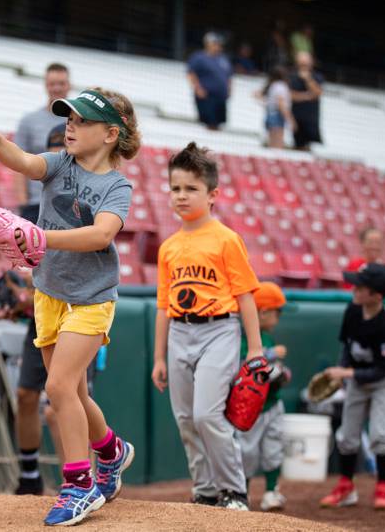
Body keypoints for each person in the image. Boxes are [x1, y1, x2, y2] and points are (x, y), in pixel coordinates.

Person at [0, 86, 140, 526]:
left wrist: (41, 237)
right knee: (75, 393)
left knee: (59, 390)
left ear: (109, 135)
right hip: (49, 293)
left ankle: (78, 484)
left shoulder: (117, 185)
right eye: (69, 119)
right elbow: (25, 162)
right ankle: (111, 451)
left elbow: (101, 235)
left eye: (82, 121)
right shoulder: (59, 163)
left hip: (91, 299)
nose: (71, 126)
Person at [151, 142, 263, 511]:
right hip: (180, 333)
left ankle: (234, 490)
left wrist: (256, 350)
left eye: (191, 188)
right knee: (185, 418)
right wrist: (158, 357)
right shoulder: (168, 247)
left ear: (213, 195)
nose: (181, 196)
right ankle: (205, 490)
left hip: (219, 329)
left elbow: (246, 295)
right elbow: (164, 306)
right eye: (176, 188)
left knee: (206, 415)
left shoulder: (227, 239)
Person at [6, 122, 97, 496]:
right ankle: (30, 476)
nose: (63, 151)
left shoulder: (93, 195)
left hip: (80, 306)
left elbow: (93, 249)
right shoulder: (31, 206)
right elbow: (15, 267)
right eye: (55, 147)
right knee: (29, 395)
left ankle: (80, 478)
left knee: (63, 397)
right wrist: (15, 294)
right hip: (41, 310)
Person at [319, 263, 385, 511]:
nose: (354, 288)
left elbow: (383, 369)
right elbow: (347, 345)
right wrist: (340, 373)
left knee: (379, 435)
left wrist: (345, 372)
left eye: (361, 286)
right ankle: (346, 487)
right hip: (357, 380)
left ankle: (383, 487)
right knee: (346, 436)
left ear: (377, 295)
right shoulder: (353, 310)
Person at [237, 282, 291, 511]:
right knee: (246, 453)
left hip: (272, 403)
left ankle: (271, 491)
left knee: (274, 448)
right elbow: (243, 365)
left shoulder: (267, 336)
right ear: (263, 311)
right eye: (277, 312)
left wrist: (283, 374)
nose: (278, 318)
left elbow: (276, 370)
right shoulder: (242, 336)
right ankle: (243, 494)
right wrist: (270, 355)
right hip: (250, 409)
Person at [13, 63, 71, 223]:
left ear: (69, 85)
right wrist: (23, 203)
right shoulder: (29, 121)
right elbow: (18, 163)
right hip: (36, 204)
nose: (57, 88)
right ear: (46, 86)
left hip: (70, 205)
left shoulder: (80, 122)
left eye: (61, 83)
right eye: (53, 84)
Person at [187, 32, 232, 130]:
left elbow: (229, 76)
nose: (218, 46)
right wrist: (198, 88)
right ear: (208, 44)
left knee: (219, 122)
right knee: (209, 122)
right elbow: (191, 73)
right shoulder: (199, 57)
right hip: (207, 95)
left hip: (220, 96)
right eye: (215, 43)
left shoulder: (223, 59)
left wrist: (229, 89)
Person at [289, 51, 324, 151]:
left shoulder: (317, 76)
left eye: (306, 63)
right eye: (301, 63)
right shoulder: (292, 76)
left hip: (311, 119)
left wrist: (307, 79)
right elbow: (290, 95)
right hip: (296, 117)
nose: (304, 66)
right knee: (298, 145)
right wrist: (308, 96)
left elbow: (317, 93)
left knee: (311, 146)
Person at [260, 66, 295, 149]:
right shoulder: (281, 86)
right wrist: (290, 120)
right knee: (277, 145)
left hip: (270, 114)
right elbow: (281, 104)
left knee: (271, 144)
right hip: (277, 116)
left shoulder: (272, 86)